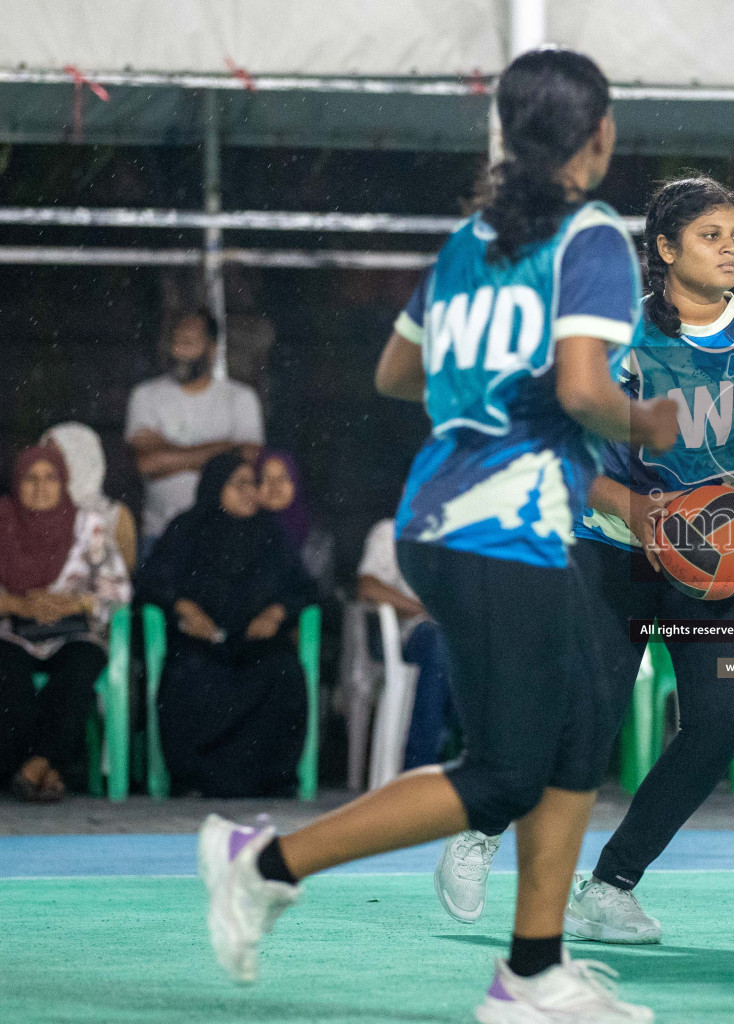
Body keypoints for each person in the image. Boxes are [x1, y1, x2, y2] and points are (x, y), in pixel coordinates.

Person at [191, 49, 677, 1024]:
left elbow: (393, 374)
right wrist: (647, 421)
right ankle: (264, 862)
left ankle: (534, 969)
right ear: (600, 134)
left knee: (583, 715)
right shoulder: (592, 239)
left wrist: (483, 393)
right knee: (502, 770)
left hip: (443, 514)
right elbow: (585, 388)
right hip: (501, 525)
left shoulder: (468, 241)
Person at [433, 173, 734, 944]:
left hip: (721, 561)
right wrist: (645, 514)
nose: (730, 250)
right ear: (664, 247)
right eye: (712, 235)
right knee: (585, 721)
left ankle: (609, 886)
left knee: (722, 721)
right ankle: (478, 830)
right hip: (609, 549)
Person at [135, 451, 315, 797]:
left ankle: (268, 779)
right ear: (216, 486)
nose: (251, 492)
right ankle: (196, 778)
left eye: (254, 483)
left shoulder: (270, 533)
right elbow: (151, 582)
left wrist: (276, 612)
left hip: (256, 643)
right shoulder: (187, 528)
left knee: (282, 672)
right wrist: (184, 607)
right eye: (240, 484)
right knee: (189, 674)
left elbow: (304, 587)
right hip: (199, 640)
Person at [0, 445, 131, 801]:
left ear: (64, 482)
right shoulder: (3, 522)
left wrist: (70, 603)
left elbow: (118, 589)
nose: (41, 488)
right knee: (7, 675)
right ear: (16, 482)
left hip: (73, 631)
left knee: (79, 670)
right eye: (30, 478)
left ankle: (33, 766)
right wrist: (19, 604)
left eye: (50, 478)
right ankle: (50, 771)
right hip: (13, 632)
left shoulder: (89, 526)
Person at [125, 309, 265, 552]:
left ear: (212, 349)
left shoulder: (240, 397)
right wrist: (225, 451)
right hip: (160, 535)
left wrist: (169, 453)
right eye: (175, 343)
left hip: (225, 536)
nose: (178, 351)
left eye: (188, 343)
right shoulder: (145, 395)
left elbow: (250, 457)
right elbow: (148, 464)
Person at [356, 517, 456, 770]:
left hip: (459, 634)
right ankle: (419, 765)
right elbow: (368, 587)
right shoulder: (391, 531)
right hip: (410, 633)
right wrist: (422, 609)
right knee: (441, 646)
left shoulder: (460, 536)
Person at [42, 422, 138, 568]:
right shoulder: (26, 512)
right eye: (46, 459)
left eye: (58, 459)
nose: (49, 468)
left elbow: (123, 574)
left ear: (81, 461)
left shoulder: (115, 515)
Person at [256, 449, 336, 595]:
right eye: (266, 478)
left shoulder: (316, 534)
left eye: (283, 478)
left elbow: (318, 595)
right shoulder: (245, 531)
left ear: (297, 482)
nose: (274, 486)